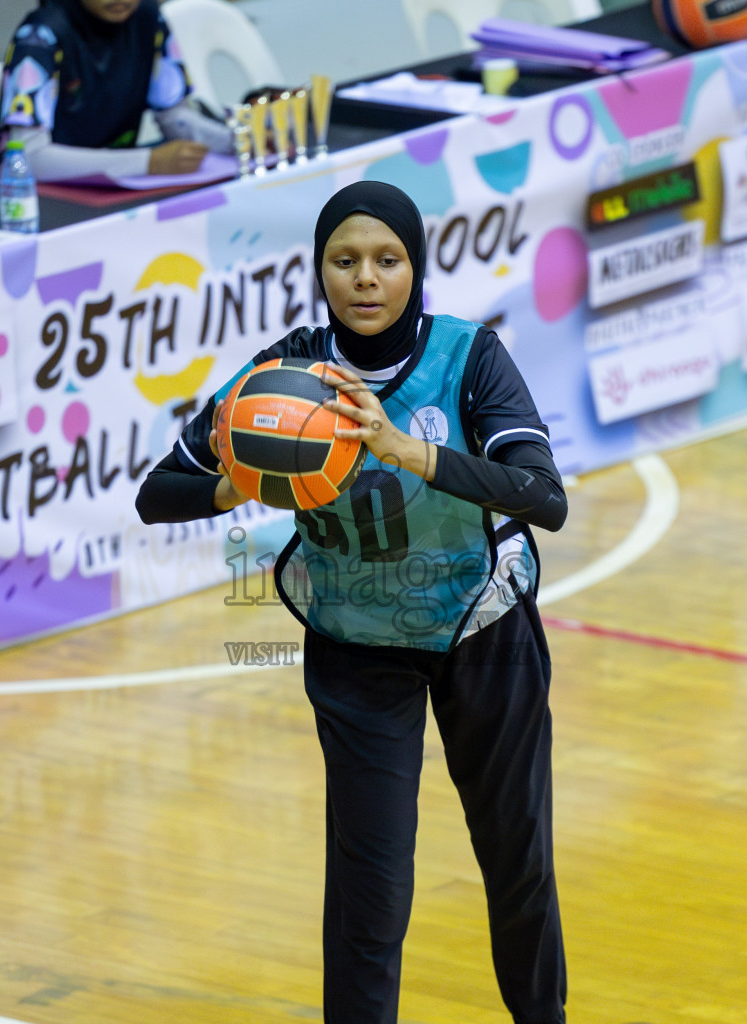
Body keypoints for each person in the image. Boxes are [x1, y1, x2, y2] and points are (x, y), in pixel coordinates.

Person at [136, 181, 569, 1024]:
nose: (364, 279)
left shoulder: (468, 357)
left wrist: (406, 450)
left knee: (517, 859)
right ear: (320, 271)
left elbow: (543, 497)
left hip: (485, 631)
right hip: (357, 641)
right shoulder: (284, 377)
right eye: (344, 261)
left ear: (415, 269)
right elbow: (159, 493)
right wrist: (235, 483)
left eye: (386, 260)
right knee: (369, 891)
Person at [0, 0, 233, 186]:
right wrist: (148, 161)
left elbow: (174, 116)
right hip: (19, 201)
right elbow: (28, 159)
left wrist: (239, 141)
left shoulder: (149, 18)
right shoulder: (39, 36)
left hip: (107, 192)